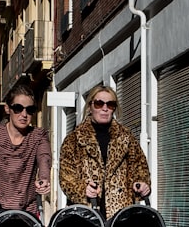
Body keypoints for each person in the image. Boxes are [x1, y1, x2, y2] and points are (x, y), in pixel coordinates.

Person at [58, 84, 151, 218]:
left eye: (110, 104)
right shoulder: (74, 140)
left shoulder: (126, 137)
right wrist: (83, 189)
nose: (105, 108)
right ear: (90, 106)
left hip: (120, 216)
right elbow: (66, 178)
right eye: (99, 104)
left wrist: (142, 184)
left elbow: (140, 167)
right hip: (86, 215)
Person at [0, 80, 51, 217]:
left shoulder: (39, 135)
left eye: (30, 110)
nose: (24, 114)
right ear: (7, 109)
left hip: (28, 212)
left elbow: (44, 158)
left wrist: (44, 179)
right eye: (18, 108)